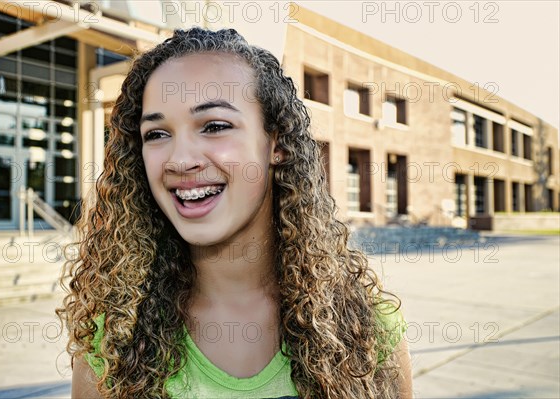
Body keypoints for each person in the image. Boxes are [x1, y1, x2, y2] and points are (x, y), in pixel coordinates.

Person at [57, 27, 412, 399]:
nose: (180, 160)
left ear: (276, 144)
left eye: (214, 126)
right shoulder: (112, 338)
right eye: (157, 134)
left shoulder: (368, 328)